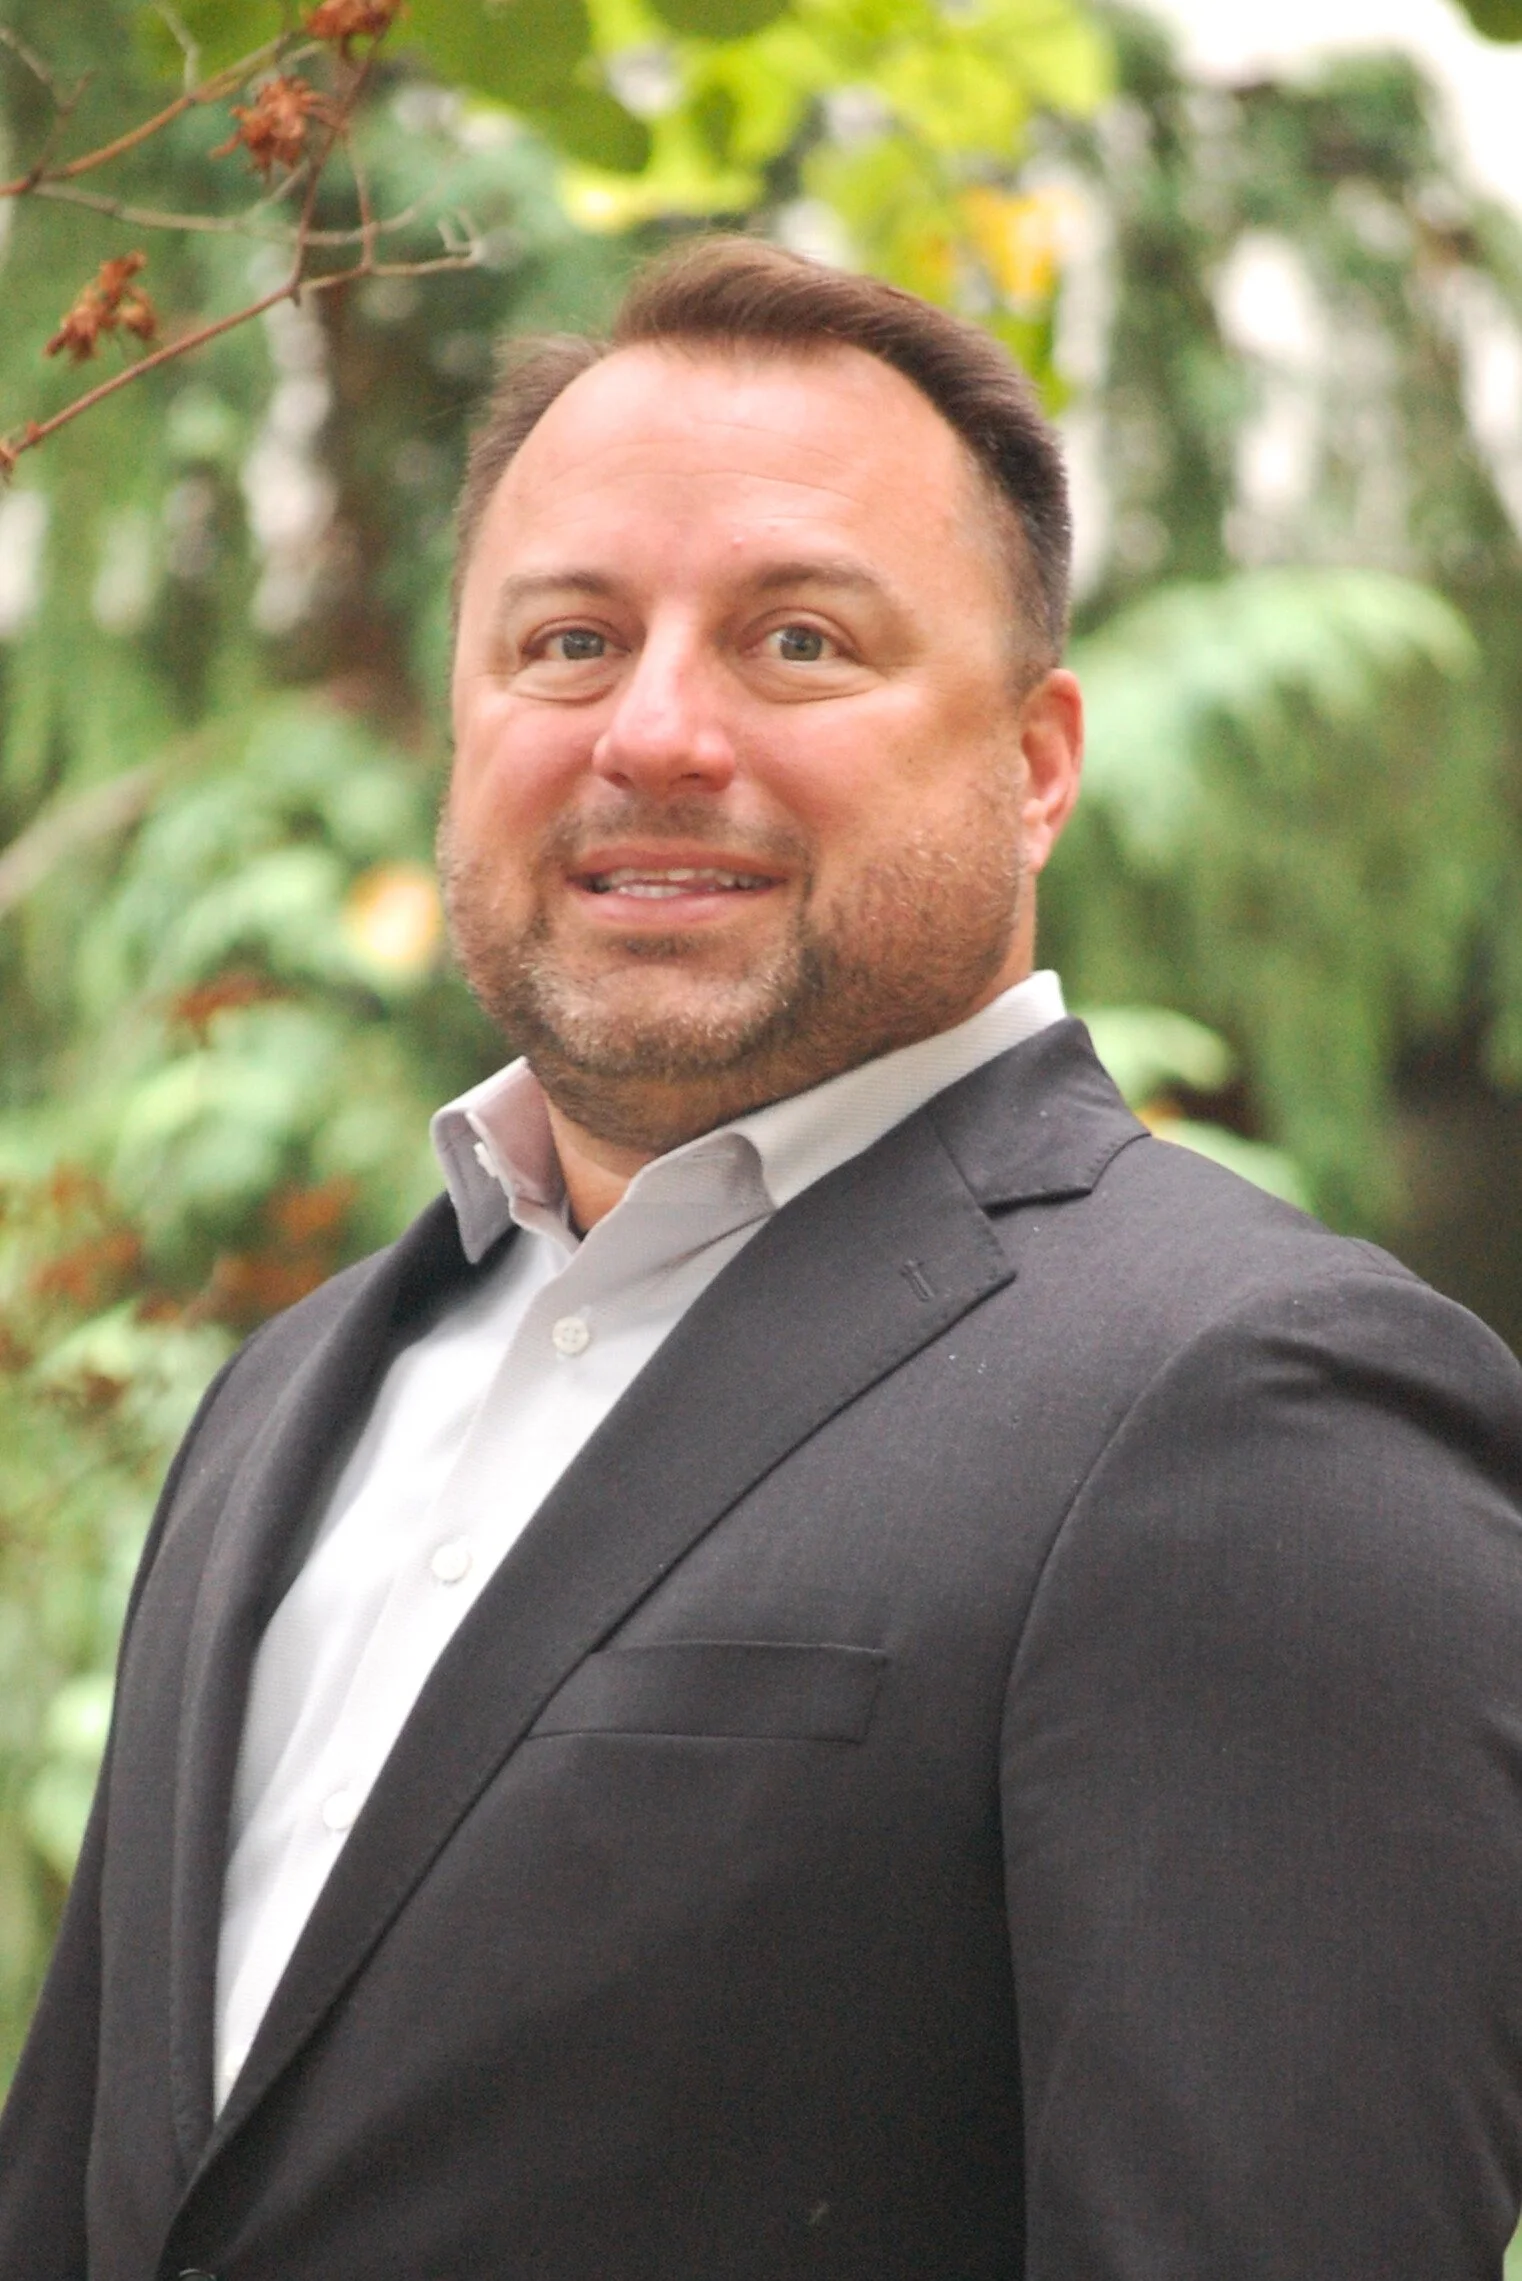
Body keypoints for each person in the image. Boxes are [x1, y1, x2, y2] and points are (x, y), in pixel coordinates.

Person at [4, 236, 1522, 2281]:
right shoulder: (291, 1393)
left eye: (796, 641)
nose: (650, 733)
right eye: (566, 643)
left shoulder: (1253, 1409)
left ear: (1033, 765)